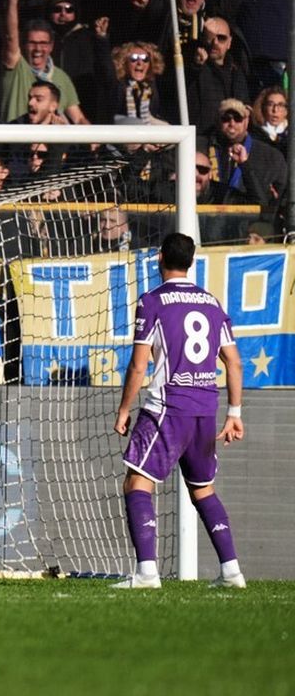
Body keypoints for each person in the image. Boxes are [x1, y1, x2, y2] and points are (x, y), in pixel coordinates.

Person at [112, 232, 245, 590]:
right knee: (203, 490)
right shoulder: (211, 302)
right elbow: (234, 362)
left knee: (137, 482)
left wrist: (124, 409)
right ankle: (231, 571)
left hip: (167, 408)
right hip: (205, 409)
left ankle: (146, 573)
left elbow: (139, 364)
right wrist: (234, 412)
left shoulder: (152, 301)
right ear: (191, 262)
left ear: (159, 258)